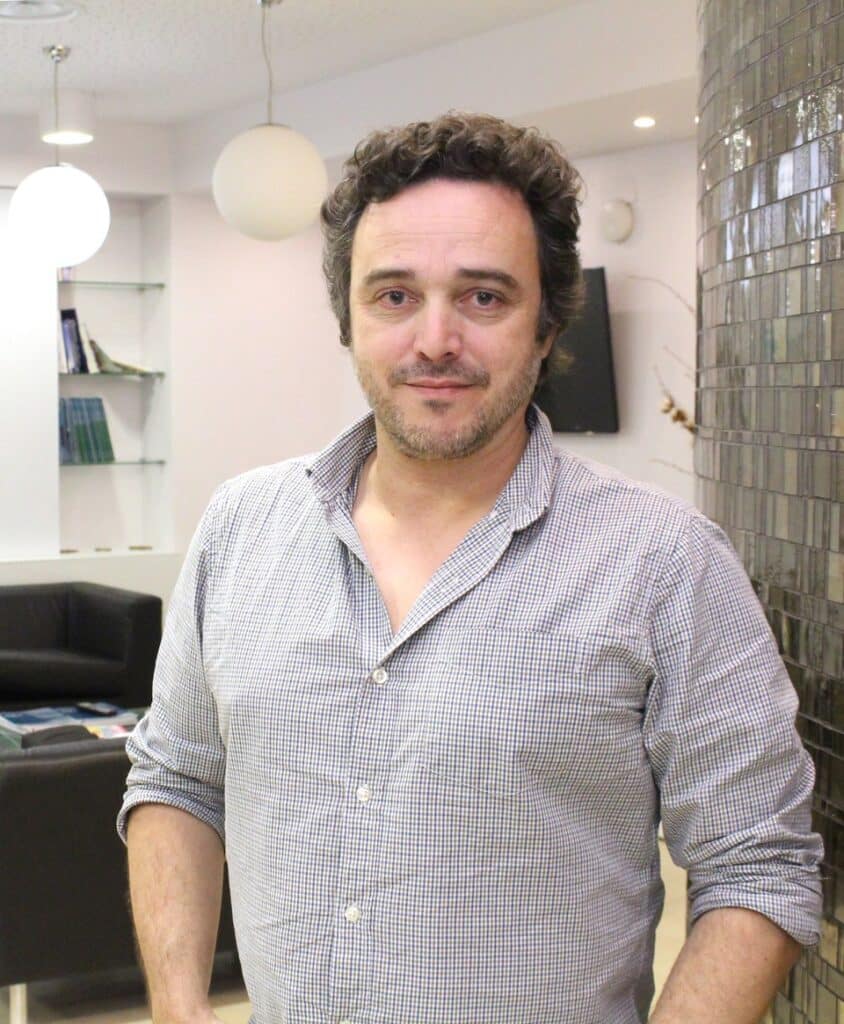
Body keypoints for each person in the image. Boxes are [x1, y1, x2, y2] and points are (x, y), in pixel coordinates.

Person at [119, 112, 822, 1024]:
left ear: (547, 323)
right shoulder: (240, 528)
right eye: (394, 296)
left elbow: (758, 866)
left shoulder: (665, 563)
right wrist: (179, 1009)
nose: (435, 340)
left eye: (484, 297)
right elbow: (177, 781)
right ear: (348, 319)